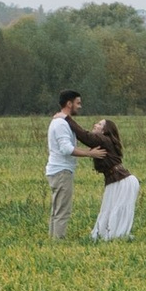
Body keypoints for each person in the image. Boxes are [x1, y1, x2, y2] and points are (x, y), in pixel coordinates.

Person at [44, 87, 102, 237]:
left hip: (56, 170)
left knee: (57, 210)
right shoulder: (61, 124)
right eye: (78, 103)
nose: (80, 106)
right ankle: (58, 242)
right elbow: (67, 149)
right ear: (69, 104)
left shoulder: (60, 121)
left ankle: (53, 240)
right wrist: (90, 154)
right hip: (61, 171)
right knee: (63, 210)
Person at [87, 117, 139, 243]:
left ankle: (114, 237)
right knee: (108, 208)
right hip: (116, 180)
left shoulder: (106, 140)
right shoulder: (104, 141)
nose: (95, 125)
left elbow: (85, 137)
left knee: (117, 209)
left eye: (99, 124)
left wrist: (67, 119)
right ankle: (108, 236)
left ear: (105, 130)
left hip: (123, 181)